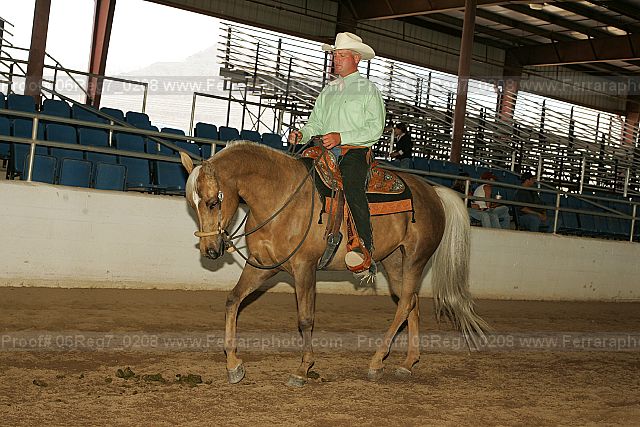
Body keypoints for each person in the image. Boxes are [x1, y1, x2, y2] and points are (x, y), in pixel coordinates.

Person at [288, 32, 385, 274]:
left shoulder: (368, 90)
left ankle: (363, 247)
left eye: (341, 55)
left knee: (352, 187)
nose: (336, 60)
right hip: (325, 150)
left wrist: (342, 137)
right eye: (335, 55)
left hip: (355, 151)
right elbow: (316, 123)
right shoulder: (328, 90)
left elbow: (375, 129)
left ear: (356, 59)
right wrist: (302, 134)